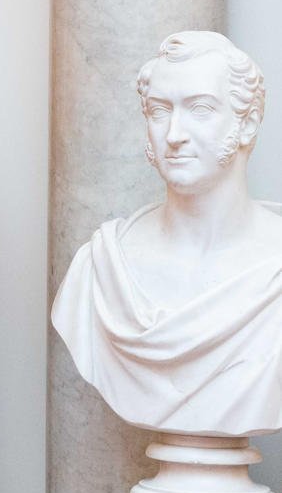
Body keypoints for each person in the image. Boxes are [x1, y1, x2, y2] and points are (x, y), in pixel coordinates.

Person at [52, 31, 282, 435]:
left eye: (200, 109)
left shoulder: (273, 269)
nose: (174, 134)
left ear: (247, 124)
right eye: (159, 111)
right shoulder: (103, 266)